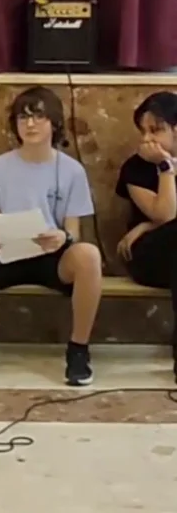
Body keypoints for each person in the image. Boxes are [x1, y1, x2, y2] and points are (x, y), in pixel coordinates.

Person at [0, 86, 103, 386]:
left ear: (54, 123)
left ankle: (78, 350)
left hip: (50, 256)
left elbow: (73, 231)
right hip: (5, 253)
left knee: (89, 255)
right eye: (23, 118)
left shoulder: (71, 170)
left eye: (38, 117)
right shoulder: (0, 166)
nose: (30, 124)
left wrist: (62, 238)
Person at [115, 91, 177, 383]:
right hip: (146, 255)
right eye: (144, 132)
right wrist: (165, 168)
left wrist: (146, 225)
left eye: (156, 130)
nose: (148, 139)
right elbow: (165, 214)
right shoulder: (136, 167)